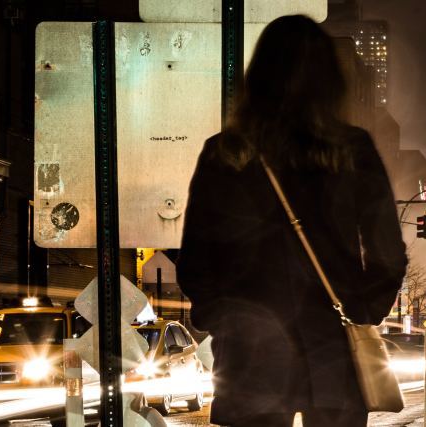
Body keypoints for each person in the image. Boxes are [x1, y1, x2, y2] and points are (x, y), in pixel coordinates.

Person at [177, 15, 408, 427]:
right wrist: (361, 310)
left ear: (259, 76)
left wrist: (224, 320)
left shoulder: (225, 153)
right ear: (330, 81)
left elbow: (196, 258)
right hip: (333, 346)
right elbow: (387, 253)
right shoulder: (353, 149)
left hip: (251, 350)